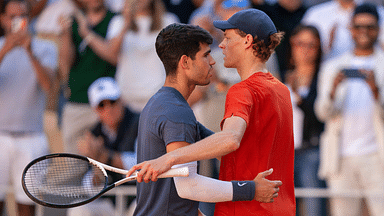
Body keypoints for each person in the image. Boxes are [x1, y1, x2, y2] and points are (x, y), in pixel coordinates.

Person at [127, 9, 296, 215]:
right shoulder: (282, 91)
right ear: (185, 62)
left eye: (227, 38)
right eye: (207, 55)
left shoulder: (241, 90)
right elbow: (239, 153)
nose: (220, 48)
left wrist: (168, 159)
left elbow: (231, 140)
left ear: (247, 41)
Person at [314, 3, 384, 216]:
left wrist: (375, 91)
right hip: (340, 157)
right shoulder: (332, 66)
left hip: (377, 156)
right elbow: (322, 113)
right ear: (350, 29)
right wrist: (333, 90)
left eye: (370, 27)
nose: (363, 32)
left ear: (378, 29)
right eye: (358, 26)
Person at [0, 0, 57, 215]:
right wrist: (6, 48)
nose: (17, 21)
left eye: (22, 16)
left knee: (27, 206)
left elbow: (49, 87)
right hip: (0, 136)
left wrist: (29, 52)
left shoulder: (44, 48)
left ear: (29, 18)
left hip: (31, 136)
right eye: (12, 16)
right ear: (3, 19)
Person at [67, 77, 139, 216]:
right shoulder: (94, 134)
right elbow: (91, 188)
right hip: (111, 202)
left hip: (138, 198)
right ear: (95, 109)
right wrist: (95, 163)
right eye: (102, 105)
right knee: (78, 210)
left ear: (121, 101)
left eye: (112, 102)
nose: (108, 109)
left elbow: (140, 165)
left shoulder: (140, 122)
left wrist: (105, 156)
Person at [59, 0, 123, 154]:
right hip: (77, 102)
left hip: (107, 104)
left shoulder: (116, 19)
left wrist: (86, 33)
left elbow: (114, 56)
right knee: (72, 165)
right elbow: (65, 64)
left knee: (107, 164)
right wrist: (65, 34)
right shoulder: (73, 22)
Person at [285, 24, 327, 216]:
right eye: (300, 43)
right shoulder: (283, 77)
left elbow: (321, 115)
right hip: (284, 154)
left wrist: (299, 98)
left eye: (312, 45)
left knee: (314, 210)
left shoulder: (324, 78)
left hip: (312, 151)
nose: (305, 50)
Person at [109, 0, 179, 113]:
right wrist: (126, 23)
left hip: (160, 99)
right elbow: (111, 55)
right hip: (127, 101)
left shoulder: (169, 20)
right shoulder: (118, 22)